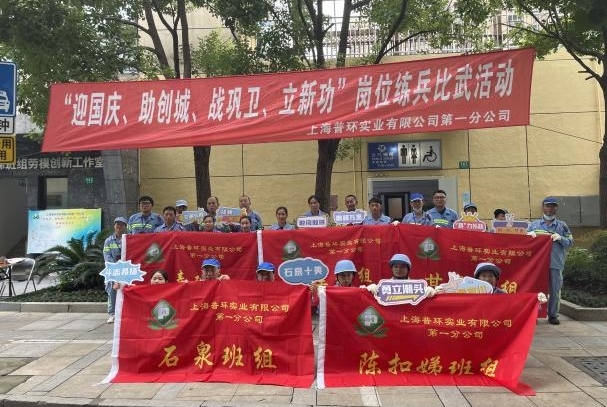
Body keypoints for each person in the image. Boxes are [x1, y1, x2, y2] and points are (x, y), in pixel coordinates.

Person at [528, 196, 573, 325]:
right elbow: (525, 243)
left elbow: (570, 242)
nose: (550, 208)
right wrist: (528, 237)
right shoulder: (534, 225)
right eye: (547, 205)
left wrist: (561, 238)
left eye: (553, 206)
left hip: (555, 263)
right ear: (543, 207)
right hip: (538, 264)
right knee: (536, 289)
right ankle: (534, 314)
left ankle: (553, 315)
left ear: (556, 208)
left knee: (555, 290)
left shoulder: (562, 225)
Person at [103, 216, 127, 324]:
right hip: (112, 270)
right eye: (117, 224)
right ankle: (112, 314)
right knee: (112, 290)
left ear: (125, 227)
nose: (119, 226)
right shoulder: (108, 241)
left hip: (126, 269)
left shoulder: (128, 238)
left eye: (121, 224)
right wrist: (116, 267)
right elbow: (107, 255)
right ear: (114, 226)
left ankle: (125, 313)